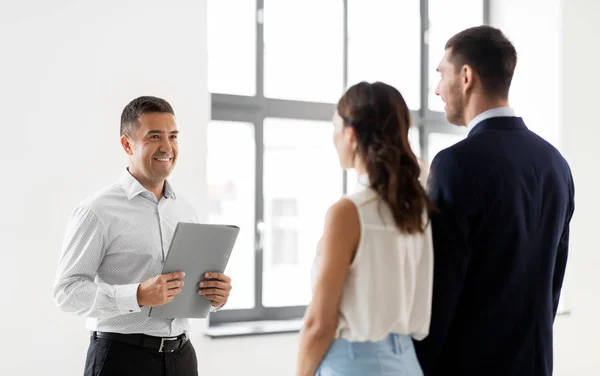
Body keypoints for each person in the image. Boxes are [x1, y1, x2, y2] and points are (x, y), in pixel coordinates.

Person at [413, 26, 575, 376]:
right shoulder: (555, 164)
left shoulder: (455, 164)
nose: (438, 89)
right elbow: (552, 284)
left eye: (442, 74)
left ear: (466, 76)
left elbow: (440, 288)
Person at [53, 96, 232, 376]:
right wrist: (136, 295)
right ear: (127, 144)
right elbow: (67, 293)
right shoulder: (97, 211)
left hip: (182, 358)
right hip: (121, 359)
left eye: (173, 136)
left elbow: (187, 287)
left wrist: (215, 296)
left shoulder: (186, 209)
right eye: (154, 136)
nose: (167, 147)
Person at [296, 81, 435, 376]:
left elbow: (319, 325)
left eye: (335, 126)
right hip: (407, 363)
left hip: (354, 364)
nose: (333, 137)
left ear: (351, 134)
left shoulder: (347, 213)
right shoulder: (416, 208)